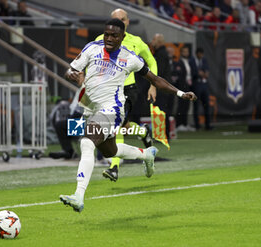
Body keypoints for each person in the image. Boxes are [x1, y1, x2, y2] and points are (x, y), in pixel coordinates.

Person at [59, 18, 197, 212]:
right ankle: (146, 154)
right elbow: (70, 71)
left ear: (122, 37)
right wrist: (71, 74)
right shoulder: (92, 48)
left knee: (87, 142)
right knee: (110, 151)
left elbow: (155, 80)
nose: (109, 38)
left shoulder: (130, 58)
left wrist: (180, 93)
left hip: (112, 109)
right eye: (107, 34)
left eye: (114, 35)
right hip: (91, 107)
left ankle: (78, 195)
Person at [95, 8, 158, 182]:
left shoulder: (136, 42)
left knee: (116, 126)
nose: (120, 22)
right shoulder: (100, 41)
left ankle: (114, 167)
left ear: (127, 22)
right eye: (116, 19)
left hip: (128, 90)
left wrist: (153, 85)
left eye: (122, 19)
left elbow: (151, 61)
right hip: (107, 90)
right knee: (123, 126)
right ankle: (143, 133)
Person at [151, 34, 173, 139]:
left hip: (161, 88)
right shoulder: (162, 53)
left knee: (161, 111)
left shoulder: (161, 54)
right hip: (164, 87)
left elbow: (159, 72)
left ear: (159, 41)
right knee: (162, 111)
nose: (152, 41)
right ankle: (162, 134)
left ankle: (162, 135)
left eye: (154, 39)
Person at [190, 48, 212, 130]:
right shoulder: (192, 61)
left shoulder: (204, 60)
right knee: (196, 105)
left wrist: (203, 73)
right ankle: (197, 125)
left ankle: (208, 125)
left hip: (204, 85)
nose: (201, 56)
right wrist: (199, 73)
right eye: (200, 54)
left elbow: (206, 71)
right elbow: (194, 72)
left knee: (206, 105)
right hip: (196, 84)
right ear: (197, 54)